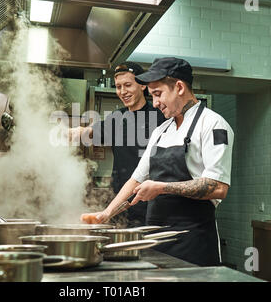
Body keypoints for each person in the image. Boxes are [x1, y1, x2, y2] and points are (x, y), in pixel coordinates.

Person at [81, 57, 234, 267]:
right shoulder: (162, 131)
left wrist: (161, 187)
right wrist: (106, 214)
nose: (155, 103)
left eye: (158, 94)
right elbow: (136, 179)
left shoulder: (213, 124)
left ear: (179, 87)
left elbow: (217, 187)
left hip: (192, 239)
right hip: (157, 238)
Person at [70, 61, 166, 227]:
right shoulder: (117, 118)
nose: (123, 92)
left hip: (150, 204)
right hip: (119, 203)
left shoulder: (159, 117)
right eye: (118, 86)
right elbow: (91, 131)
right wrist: (74, 131)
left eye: (128, 85)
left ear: (142, 86)